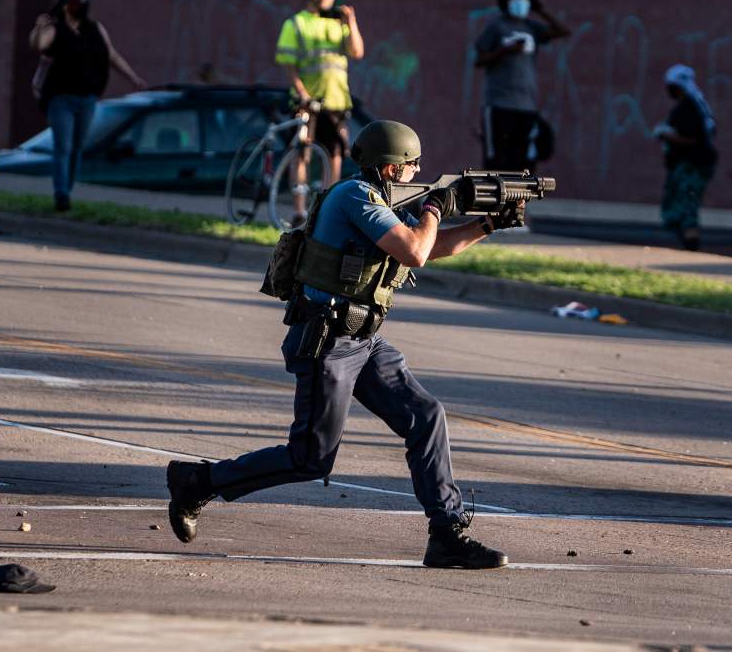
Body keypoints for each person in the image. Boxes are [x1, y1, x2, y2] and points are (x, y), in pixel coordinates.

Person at [166, 120, 525, 569]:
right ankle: (199, 481)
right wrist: (436, 206)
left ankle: (446, 533)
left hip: (365, 340)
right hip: (328, 341)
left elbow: (430, 248)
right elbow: (414, 250)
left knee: (426, 417)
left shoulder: (379, 199)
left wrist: (487, 224)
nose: (419, 170)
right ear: (391, 169)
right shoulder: (356, 197)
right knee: (310, 458)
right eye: (413, 163)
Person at [29, 0, 147, 212]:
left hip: (87, 98)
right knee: (63, 145)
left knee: (77, 146)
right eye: (76, 4)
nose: (80, 8)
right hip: (60, 99)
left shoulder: (95, 29)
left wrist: (132, 77)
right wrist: (38, 28)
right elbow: (38, 45)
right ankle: (61, 194)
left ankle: (68, 189)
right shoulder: (55, 29)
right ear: (65, 6)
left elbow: (111, 54)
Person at [274, 0, 364, 226]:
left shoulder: (338, 24)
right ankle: (300, 210)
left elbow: (356, 52)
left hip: (335, 100)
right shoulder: (296, 23)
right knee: (302, 153)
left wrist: (351, 23)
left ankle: (328, 209)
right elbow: (288, 64)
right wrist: (301, 93)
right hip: (306, 101)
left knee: (334, 154)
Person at [473, 0, 569, 174]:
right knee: (497, 157)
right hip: (499, 103)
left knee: (523, 158)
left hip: (526, 104)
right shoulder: (497, 26)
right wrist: (505, 50)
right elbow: (479, 59)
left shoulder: (531, 27)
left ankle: (517, 200)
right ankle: (492, 199)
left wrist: (540, 10)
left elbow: (563, 31)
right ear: (506, 0)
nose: (521, 1)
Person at [652, 65, 718, 251]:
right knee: (674, 210)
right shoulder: (687, 107)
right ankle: (687, 243)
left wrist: (668, 136)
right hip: (682, 165)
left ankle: (691, 246)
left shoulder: (690, 109)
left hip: (692, 166)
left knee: (687, 208)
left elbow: (694, 140)